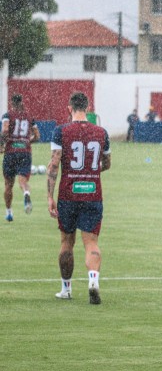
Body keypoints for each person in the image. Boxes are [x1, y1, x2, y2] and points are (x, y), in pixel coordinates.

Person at [47, 92, 111, 304]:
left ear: (69, 108)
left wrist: (49, 196)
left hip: (68, 194)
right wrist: (89, 173)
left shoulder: (61, 132)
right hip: (93, 194)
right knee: (91, 242)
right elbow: (107, 163)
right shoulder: (101, 133)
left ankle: (66, 289)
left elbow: (54, 164)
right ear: (88, 108)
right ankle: (93, 281)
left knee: (67, 242)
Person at [1, 94, 40, 221]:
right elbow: (37, 136)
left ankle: (9, 212)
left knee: (8, 185)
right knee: (23, 181)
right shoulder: (29, 117)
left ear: (12, 103)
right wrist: (27, 141)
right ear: (22, 102)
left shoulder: (7, 116)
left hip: (11, 152)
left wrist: (2, 145)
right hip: (25, 152)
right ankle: (26, 193)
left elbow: (5, 131)